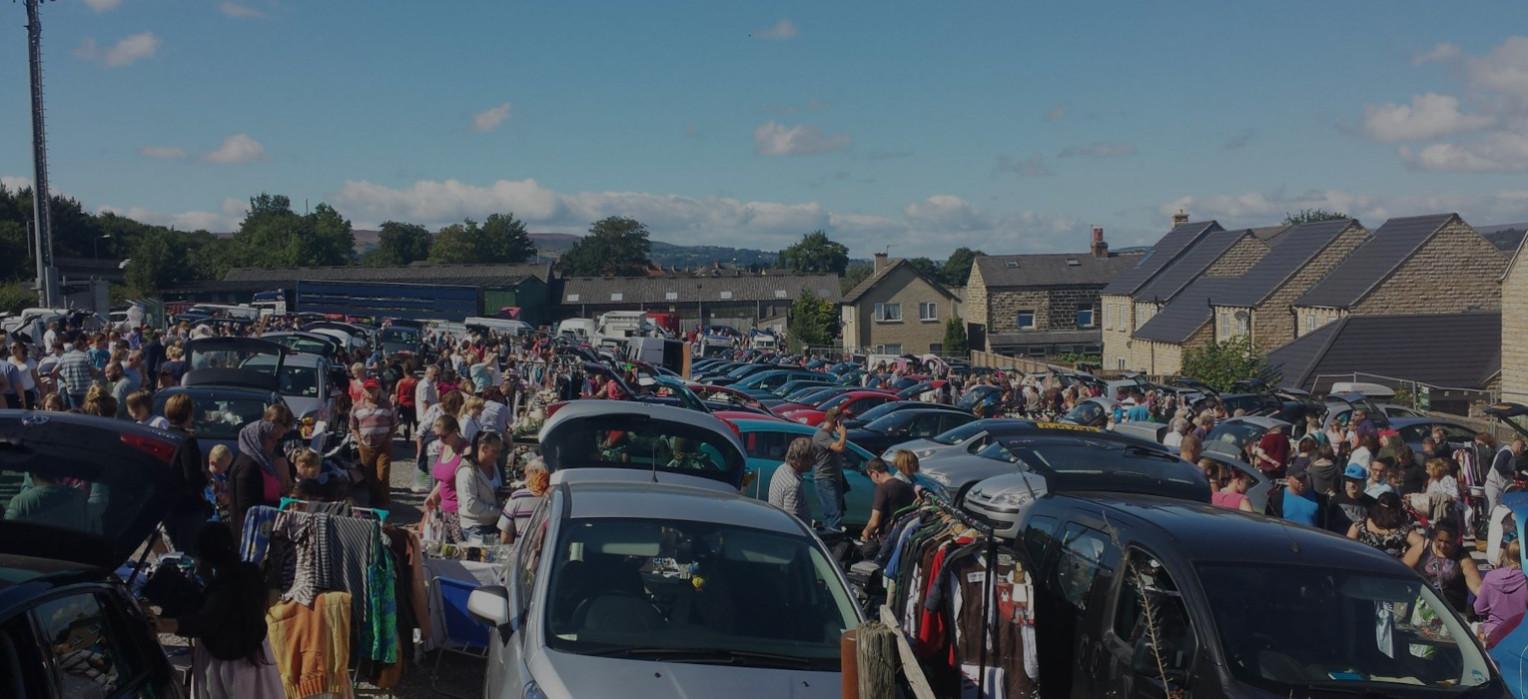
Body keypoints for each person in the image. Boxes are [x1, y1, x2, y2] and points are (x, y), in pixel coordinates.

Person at [151, 522, 283, 699]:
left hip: (227, 667)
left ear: (204, 556)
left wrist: (163, 624)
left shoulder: (222, 588)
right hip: (257, 659)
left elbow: (205, 622)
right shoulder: (251, 573)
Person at [162, 393, 209, 554]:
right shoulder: (187, 441)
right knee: (189, 553)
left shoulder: (163, 436)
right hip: (187, 507)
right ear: (189, 413)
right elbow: (191, 476)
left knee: (174, 550)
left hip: (168, 505)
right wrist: (205, 480)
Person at [228, 419, 290, 539]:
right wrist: (279, 506)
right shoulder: (247, 465)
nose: (275, 443)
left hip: (263, 527)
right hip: (250, 533)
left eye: (276, 439)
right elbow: (245, 505)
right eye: (270, 438)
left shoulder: (263, 462)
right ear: (257, 438)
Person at [1417, 521, 1481, 615]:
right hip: (1423, 608)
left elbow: (1476, 585)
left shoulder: (1462, 557)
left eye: (1447, 542)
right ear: (1434, 537)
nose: (1443, 545)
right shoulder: (1424, 546)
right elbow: (1403, 569)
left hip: (1451, 612)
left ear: (1456, 540)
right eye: (1440, 540)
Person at [349, 378, 396, 507]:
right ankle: (373, 501)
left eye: (373, 390)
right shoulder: (357, 407)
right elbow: (353, 426)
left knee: (382, 474)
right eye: (368, 390)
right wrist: (359, 440)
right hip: (366, 446)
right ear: (363, 391)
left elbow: (394, 424)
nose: (371, 393)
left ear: (378, 390)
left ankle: (383, 502)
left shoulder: (387, 405)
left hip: (383, 445)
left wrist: (388, 439)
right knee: (370, 476)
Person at [423, 415, 470, 543]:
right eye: (437, 436)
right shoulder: (444, 447)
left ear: (455, 431)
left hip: (458, 513)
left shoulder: (466, 451)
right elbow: (444, 480)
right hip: (443, 511)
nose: (440, 439)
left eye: (443, 436)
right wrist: (432, 496)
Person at [1347, 491, 1425, 566]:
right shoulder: (1401, 530)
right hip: (1391, 571)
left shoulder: (1360, 525)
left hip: (1361, 568)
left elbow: (1347, 548)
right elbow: (1422, 544)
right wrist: (1406, 562)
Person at [456, 431, 504, 542]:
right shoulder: (467, 471)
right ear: (483, 448)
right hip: (475, 527)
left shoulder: (493, 465)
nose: (498, 456)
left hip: (494, 524)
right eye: (495, 451)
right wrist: (498, 512)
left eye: (499, 452)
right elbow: (471, 504)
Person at [1476, 540, 1528, 643]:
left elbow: (1479, 609)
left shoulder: (1491, 576)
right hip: (1522, 636)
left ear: (1506, 555)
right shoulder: (1525, 580)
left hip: (1493, 633)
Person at [811, 408, 849, 530]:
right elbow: (839, 447)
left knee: (832, 513)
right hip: (825, 479)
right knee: (833, 514)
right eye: (841, 421)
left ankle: (829, 533)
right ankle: (833, 536)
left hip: (833, 478)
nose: (842, 424)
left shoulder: (829, 434)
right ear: (835, 420)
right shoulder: (822, 435)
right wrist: (843, 434)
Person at [861, 458, 914, 546]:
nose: (871, 480)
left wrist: (866, 532)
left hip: (888, 538)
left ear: (875, 473)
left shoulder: (882, 489)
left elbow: (874, 522)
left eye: (870, 476)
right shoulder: (906, 486)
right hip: (906, 535)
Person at [498, 457, 549, 544]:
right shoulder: (554, 497)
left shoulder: (517, 497)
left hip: (520, 550)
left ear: (531, 474)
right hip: (549, 551)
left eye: (526, 474)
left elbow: (505, 537)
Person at [768, 437, 813, 523]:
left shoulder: (781, 469)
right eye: (811, 458)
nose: (814, 462)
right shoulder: (793, 485)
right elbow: (792, 522)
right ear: (800, 460)